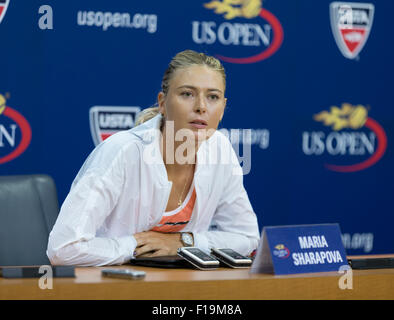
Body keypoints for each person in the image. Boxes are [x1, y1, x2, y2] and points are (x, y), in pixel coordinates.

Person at [47, 50, 260, 266]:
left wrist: (184, 242)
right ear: (162, 103)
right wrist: (134, 246)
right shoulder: (123, 151)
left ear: (222, 109)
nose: (201, 107)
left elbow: (248, 238)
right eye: (187, 94)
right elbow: (63, 248)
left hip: (183, 288)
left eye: (212, 97)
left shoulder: (220, 150)